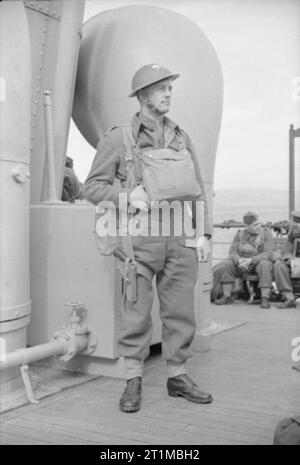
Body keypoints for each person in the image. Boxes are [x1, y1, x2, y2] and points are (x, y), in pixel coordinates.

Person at [83, 63, 213, 413]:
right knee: (135, 314)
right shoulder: (119, 137)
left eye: (170, 87)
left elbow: (199, 191)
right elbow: (91, 186)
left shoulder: (181, 137)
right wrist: (128, 198)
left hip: (180, 239)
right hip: (137, 242)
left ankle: (178, 376)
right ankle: (133, 379)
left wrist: (204, 234)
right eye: (161, 88)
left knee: (181, 312)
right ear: (143, 96)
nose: (169, 92)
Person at [213, 211, 274, 309]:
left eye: (259, 224)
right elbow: (232, 252)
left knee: (265, 264)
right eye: (255, 225)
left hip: (257, 265)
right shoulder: (240, 235)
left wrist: (250, 260)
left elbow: (267, 254)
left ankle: (265, 298)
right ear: (247, 226)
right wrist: (239, 260)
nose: (259, 226)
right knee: (228, 263)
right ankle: (227, 296)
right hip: (242, 265)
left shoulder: (266, 234)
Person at [273, 210, 300, 308]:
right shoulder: (293, 232)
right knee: (279, 266)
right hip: (296, 262)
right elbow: (288, 248)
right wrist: (288, 258)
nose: (296, 225)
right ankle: (289, 298)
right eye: (295, 221)